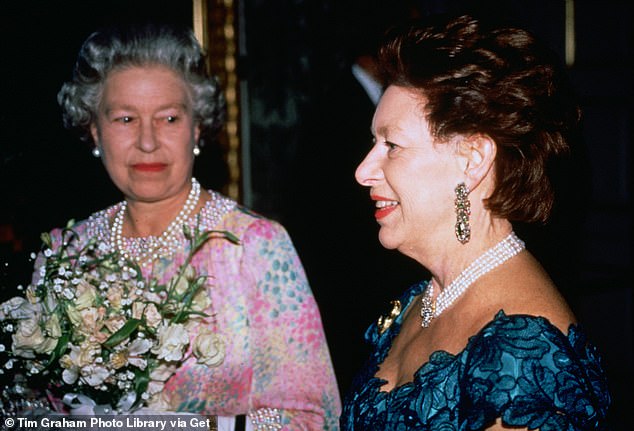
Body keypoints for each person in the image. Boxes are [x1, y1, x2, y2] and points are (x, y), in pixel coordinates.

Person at [46, 23, 340, 429]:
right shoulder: (66, 254)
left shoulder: (252, 246)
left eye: (168, 118)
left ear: (197, 126)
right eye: (125, 119)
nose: (147, 142)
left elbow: (312, 417)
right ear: (94, 129)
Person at [340, 15, 610, 430]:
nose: (363, 171)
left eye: (392, 145)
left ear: (472, 160)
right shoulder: (422, 298)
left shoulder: (524, 355)